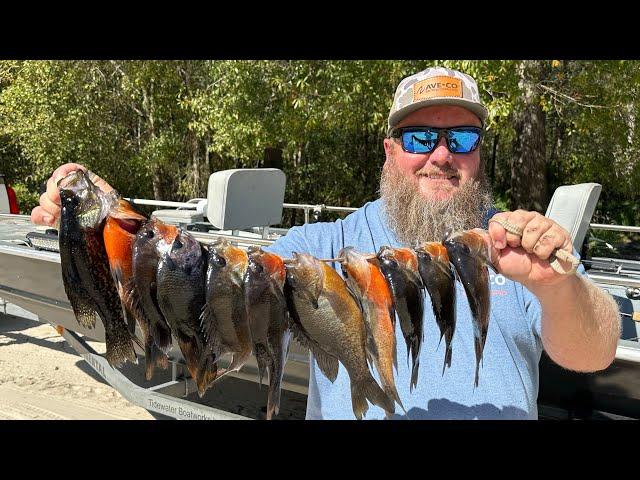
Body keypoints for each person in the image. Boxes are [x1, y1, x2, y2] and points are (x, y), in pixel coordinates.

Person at [32, 67, 621, 420]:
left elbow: (593, 355)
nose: (441, 154)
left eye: (460, 136)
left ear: (478, 152)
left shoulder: (514, 245)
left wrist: (560, 285)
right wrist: (99, 221)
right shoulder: (324, 245)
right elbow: (198, 277)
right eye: (420, 135)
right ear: (390, 151)